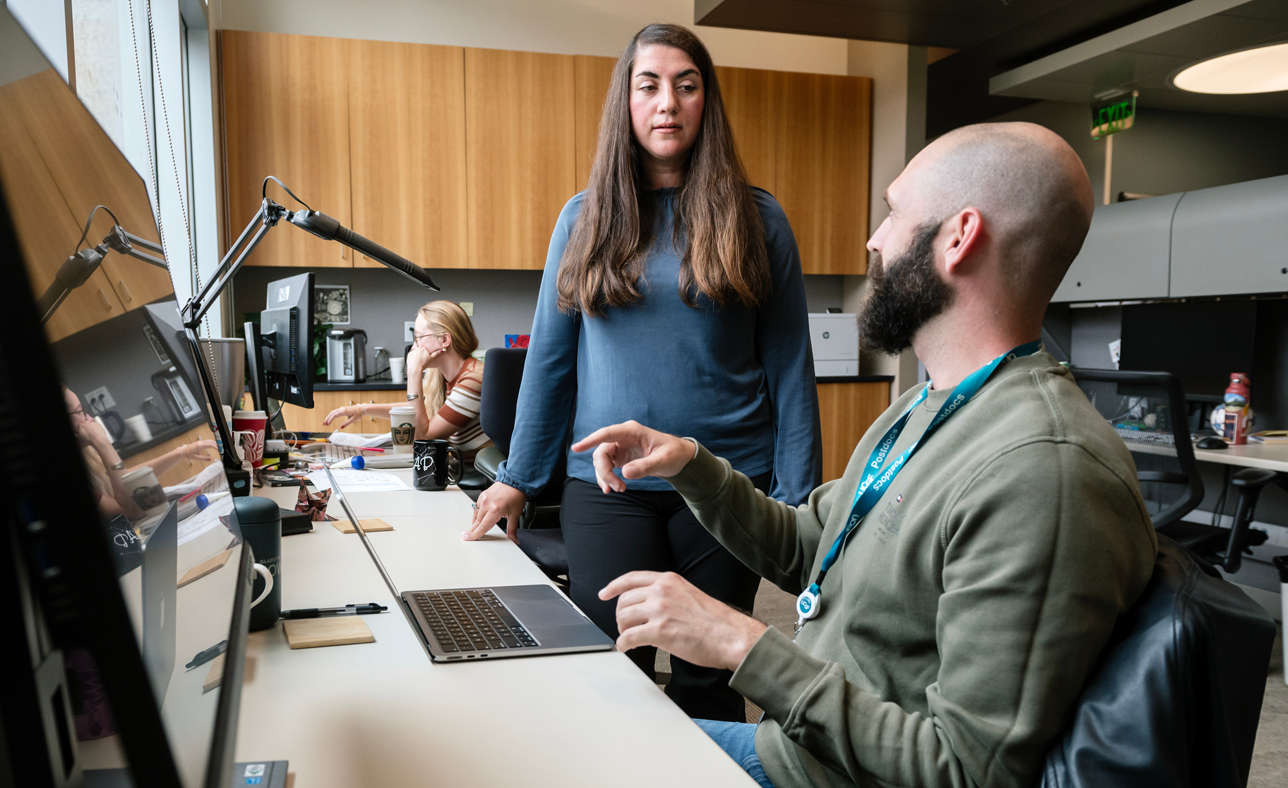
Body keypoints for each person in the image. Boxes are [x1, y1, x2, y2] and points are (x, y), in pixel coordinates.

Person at [574, 122, 1159, 788]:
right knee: (564, 735)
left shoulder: (1042, 470)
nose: (874, 240)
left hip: (825, 777)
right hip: (798, 754)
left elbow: (968, 771)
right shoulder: (931, 402)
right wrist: (690, 465)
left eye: (893, 212)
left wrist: (742, 643)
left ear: (958, 237)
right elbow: (810, 549)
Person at [464, 23, 820, 723]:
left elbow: (788, 368)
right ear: (625, 102)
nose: (667, 103)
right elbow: (553, 361)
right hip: (609, 486)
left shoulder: (759, 220)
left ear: (705, 103)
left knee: (706, 680)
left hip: (724, 486)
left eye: (686, 86)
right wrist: (515, 478)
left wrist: (798, 498)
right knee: (609, 666)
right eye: (649, 85)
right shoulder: (584, 219)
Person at [324, 300, 491, 463]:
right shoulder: (443, 375)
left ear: (445, 340)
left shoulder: (473, 380)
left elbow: (421, 436)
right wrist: (363, 409)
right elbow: (420, 410)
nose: (413, 346)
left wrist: (414, 371)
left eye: (418, 337)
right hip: (458, 471)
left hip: (477, 482)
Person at [65, 387, 217, 521]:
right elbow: (133, 510)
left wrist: (181, 452)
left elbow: (122, 479)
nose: (90, 419)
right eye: (80, 411)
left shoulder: (85, 457)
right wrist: (103, 443)